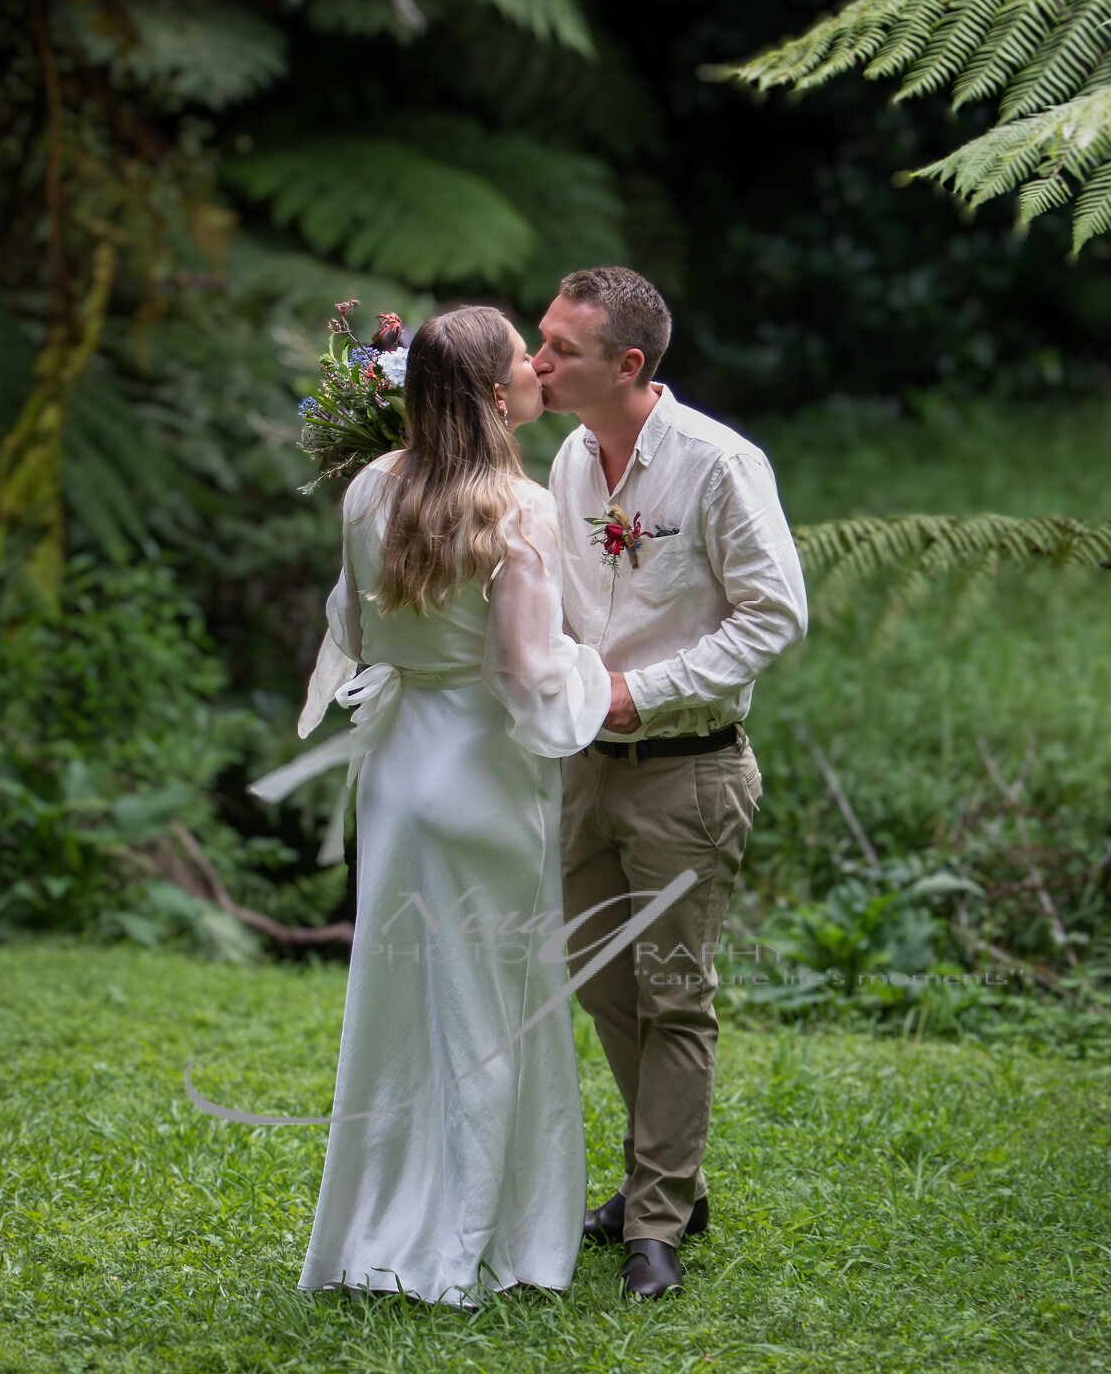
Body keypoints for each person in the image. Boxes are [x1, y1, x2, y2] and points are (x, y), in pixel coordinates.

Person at [283, 305, 609, 1306]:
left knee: (397, 1009)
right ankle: (476, 1239)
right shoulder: (520, 508)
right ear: (494, 395)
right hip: (482, 774)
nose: (538, 368)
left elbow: (351, 628)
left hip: (397, 771)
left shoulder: (370, 488)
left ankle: (377, 1226)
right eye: (522, 359)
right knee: (492, 1014)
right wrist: (595, 681)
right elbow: (525, 672)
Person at [531, 267, 808, 1299]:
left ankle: (654, 1223)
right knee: (606, 983)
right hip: (583, 769)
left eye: (560, 348)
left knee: (675, 997)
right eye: (540, 340)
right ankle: (672, 1183)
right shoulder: (567, 458)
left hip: (688, 772)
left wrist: (640, 692)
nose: (537, 361)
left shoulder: (719, 463)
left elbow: (775, 614)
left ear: (629, 364)